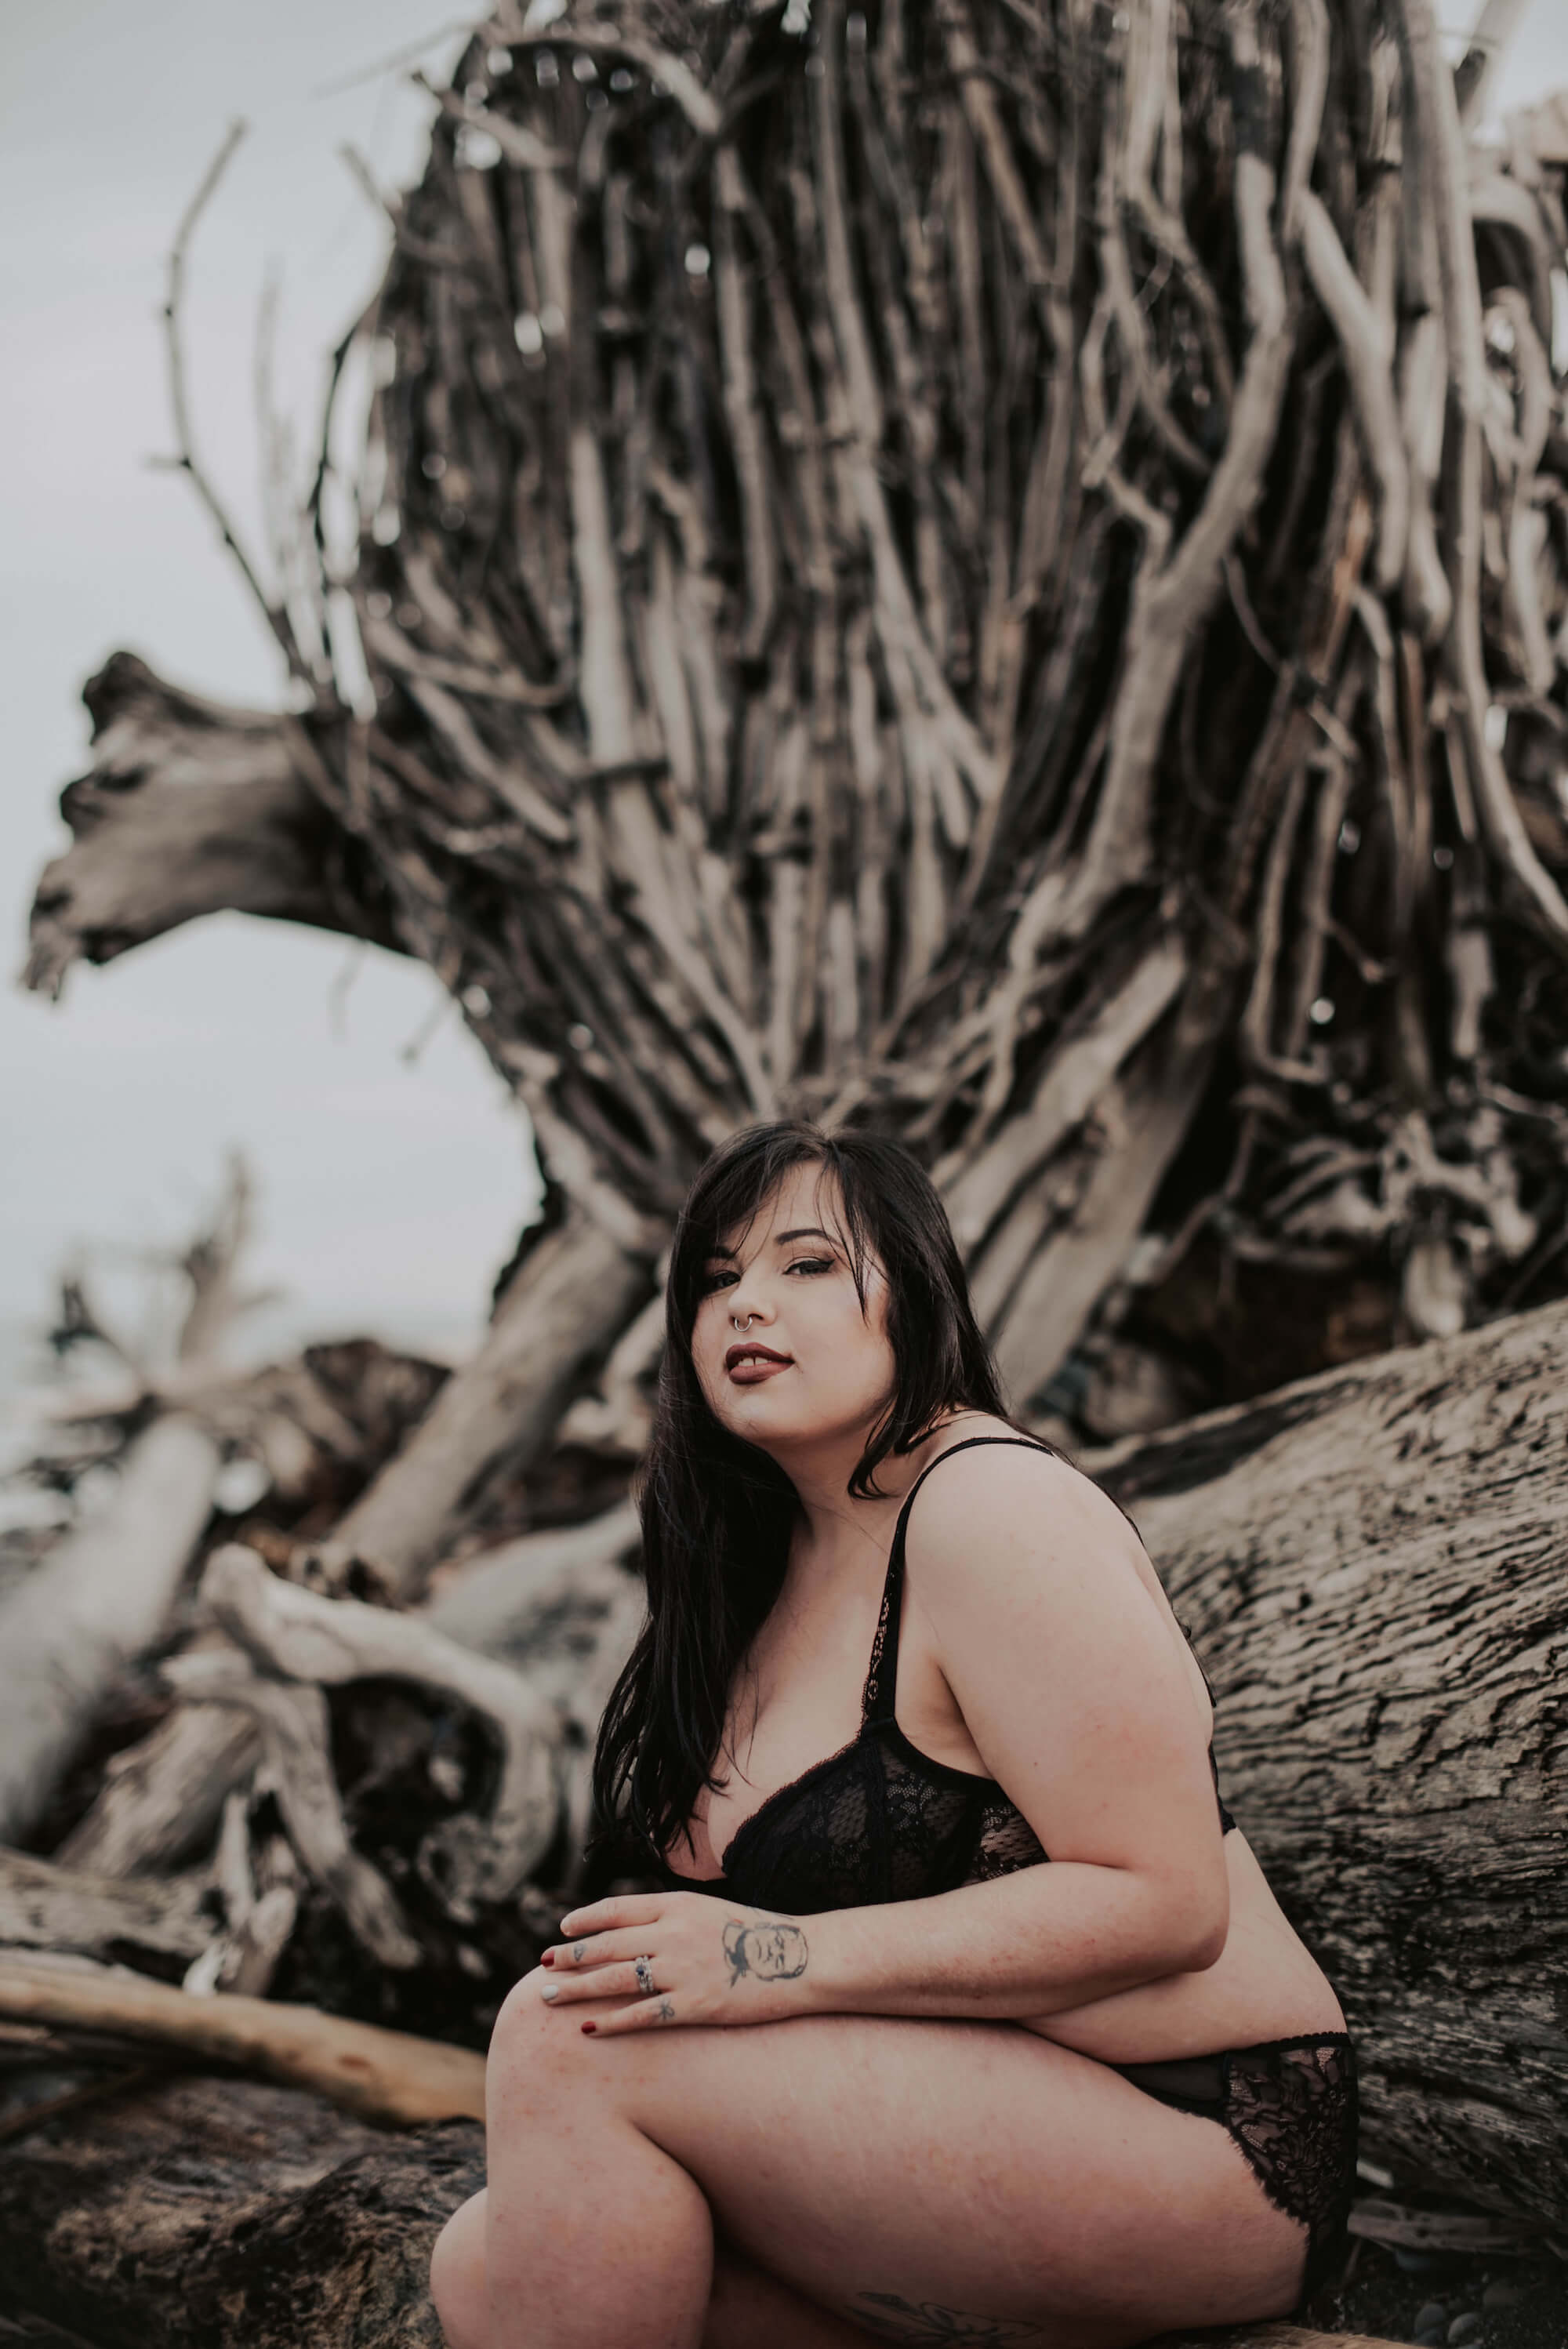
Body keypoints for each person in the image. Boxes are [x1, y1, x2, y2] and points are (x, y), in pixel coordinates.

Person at [430, 1122, 1357, 2349]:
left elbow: (1170, 1901)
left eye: (808, 1265)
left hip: (1195, 2138)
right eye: (717, 1279)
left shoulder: (991, 1508)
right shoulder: (770, 1562)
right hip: (954, 2121)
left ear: (914, 1295)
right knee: (489, 2268)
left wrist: (769, 1961)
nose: (747, 1304)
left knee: (568, 2048)